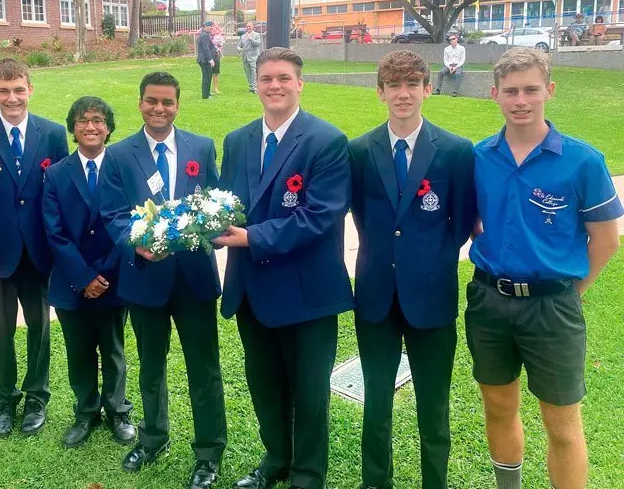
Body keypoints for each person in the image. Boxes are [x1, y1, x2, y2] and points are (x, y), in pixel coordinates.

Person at [468, 48, 622, 489]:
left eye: (531, 90)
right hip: (488, 302)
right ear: (494, 94)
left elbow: (606, 239)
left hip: (552, 307)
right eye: (511, 91)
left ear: (549, 92)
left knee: (562, 423)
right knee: (498, 407)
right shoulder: (479, 158)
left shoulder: (582, 161)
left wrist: (572, 292)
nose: (521, 100)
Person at [214, 47, 353, 489]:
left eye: (284, 78)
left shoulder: (326, 140)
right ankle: (276, 459)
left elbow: (319, 216)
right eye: (267, 78)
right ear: (257, 84)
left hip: (306, 293)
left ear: (300, 84)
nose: (275, 86)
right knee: (266, 387)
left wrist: (251, 237)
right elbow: (226, 205)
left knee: (309, 393)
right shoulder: (237, 140)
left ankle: (308, 476)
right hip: (251, 289)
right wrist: (198, 226)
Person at [348, 50, 476, 489]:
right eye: (394, 85)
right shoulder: (360, 150)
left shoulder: (456, 151)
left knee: (433, 405)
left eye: (412, 84)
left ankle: (434, 482)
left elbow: (458, 224)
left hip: (432, 295)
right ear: (380, 91)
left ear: (428, 88)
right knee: (376, 401)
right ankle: (374, 481)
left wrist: (425, 259)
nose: (403, 94)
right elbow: (363, 216)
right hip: (376, 295)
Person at [101, 72, 227, 489]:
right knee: (151, 366)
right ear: (140, 103)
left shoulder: (200, 147)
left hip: (193, 279)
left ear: (178, 105)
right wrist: (134, 243)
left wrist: (209, 227)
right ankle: (153, 437)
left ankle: (208, 452)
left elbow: (214, 203)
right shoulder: (119, 155)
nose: (159, 109)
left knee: (203, 368)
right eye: (152, 101)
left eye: (167, 102)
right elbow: (112, 215)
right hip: (144, 278)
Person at [0, 59, 69, 439]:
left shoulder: (52, 134)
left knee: (40, 328)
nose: (12, 97)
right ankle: (5, 399)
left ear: (30, 89)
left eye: (19, 89)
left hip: (39, 254)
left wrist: (60, 250)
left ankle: (37, 397)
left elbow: (61, 195)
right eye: (4, 91)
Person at [42, 96, 136, 449]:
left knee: (112, 350)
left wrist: (104, 274)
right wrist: (83, 277)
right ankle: (86, 412)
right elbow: (54, 231)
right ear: (72, 127)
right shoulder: (55, 174)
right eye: (82, 120)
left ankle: (117, 410)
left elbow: (130, 223)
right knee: (78, 351)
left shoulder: (124, 169)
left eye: (98, 119)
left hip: (113, 279)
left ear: (109, 127)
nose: (90, 126)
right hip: (71, 282)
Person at [237, 22, 262, 94]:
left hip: (253, 57)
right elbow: (239, 45)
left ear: (253, 27)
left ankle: (255, 87)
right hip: (245, 57)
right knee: (247, 72)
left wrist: (251, 39)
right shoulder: (243, 36)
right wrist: (239, 49)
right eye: (247, 26)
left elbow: (258, 43)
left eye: (250, 26)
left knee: (254, 72)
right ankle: (251, 86)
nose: (248, 28)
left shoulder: (256, 35)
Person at [196, 21, 217, 100]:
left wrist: (216, 48)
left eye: (212, 26)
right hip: (204, 59)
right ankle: (205, 95)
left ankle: (207, 92)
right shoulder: (204, 35)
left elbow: (211, 45)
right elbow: (205, 48)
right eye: (209, 26)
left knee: (208, 76)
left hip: (204, 59)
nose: (211, 27)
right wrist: (210, 59)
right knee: (206, 77)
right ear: (205, 26)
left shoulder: (205, 34)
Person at [210, 23, 225, 95]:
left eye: (217, 29)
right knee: (208, 73)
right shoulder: (208, 36)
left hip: (216, 56)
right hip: (209, 56)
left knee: (215, 73)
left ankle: (216, 88)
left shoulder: (220, 37)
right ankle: (208, 88)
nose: (215, 30)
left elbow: (221, 45)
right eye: (213, 29)